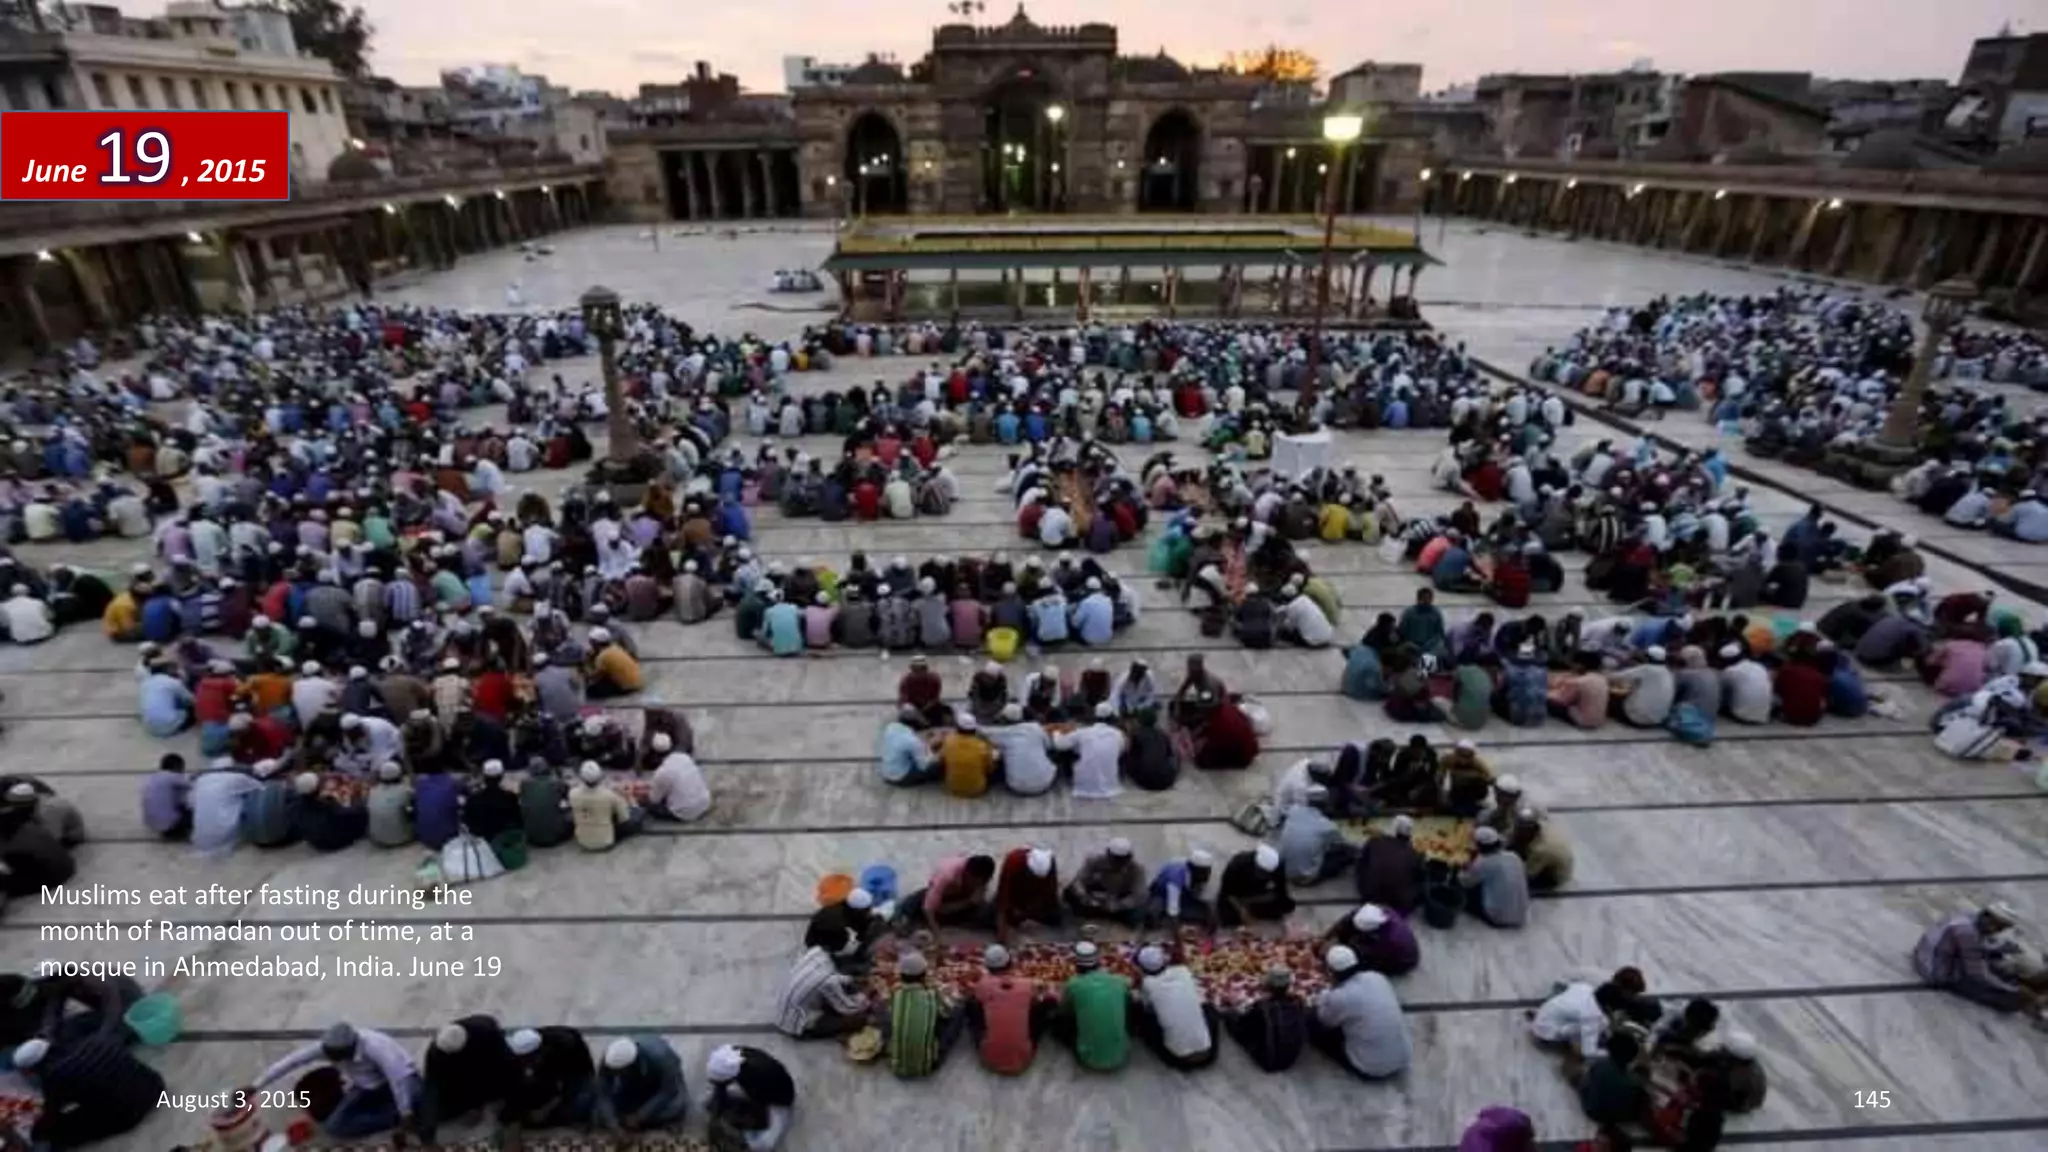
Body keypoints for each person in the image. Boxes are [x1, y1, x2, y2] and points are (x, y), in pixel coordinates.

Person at [253, 1021, 420, 1140]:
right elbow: (291, 1062)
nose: (333, 1061)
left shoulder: (376, 1047)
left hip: (404, 1079)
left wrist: (405, 1110)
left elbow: (398, 1079)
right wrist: (256, 1085)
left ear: (350, 1049)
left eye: (338, 1058)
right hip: (366, 1087)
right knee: (334, 1127)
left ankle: (408, 1113)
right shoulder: (328, 1047)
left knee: (412, 1098)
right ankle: (394, 1117)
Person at [14, 1027, 164, 1151]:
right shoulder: (92, 1040)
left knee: (61, 1130)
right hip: (155, 1085)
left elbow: (52, 1113)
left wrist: (35, 1132)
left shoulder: (56, 1075)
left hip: (133, 1111)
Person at [1912, 902, 2044, 1020]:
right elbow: (1978, 974)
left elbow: (1973, 947)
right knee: (2013, 999)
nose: (1995, 931)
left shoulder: (1968, 916)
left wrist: (1996, 950)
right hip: (1936, 972)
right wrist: (2010, 989)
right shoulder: (1966, 932)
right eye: (1998, 927)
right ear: (1988, 917)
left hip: (1932, 956)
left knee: (2003, 969)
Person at [1309, 945, 1412, 1079]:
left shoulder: (1341, 997)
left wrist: (1323, 998)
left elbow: (1324, 1020)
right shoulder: (1376, 977)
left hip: (1370, 1067)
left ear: (1330, 972)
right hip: (1403, 1057)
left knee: (1312, 1025)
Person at [417, 1016, 514, 1141]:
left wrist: (476, 1104)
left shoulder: (486, 1032)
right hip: (460, 1081)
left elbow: (509, 1066)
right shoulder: (437, 1051)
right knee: (428, 1114)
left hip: (489, 1072)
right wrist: (428, 1131)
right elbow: (431, 1087)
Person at [1132, 944, 1220, 1070]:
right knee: (1207, 1008)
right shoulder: (1183, 971)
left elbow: (1146, 1007)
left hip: (1178, 1059)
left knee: (1146, 1018)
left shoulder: (1148, 984)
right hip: (1209, 1053)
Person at [967, 943, 1051, 1075]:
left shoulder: (982, 985)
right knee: (1042, 1007)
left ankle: (993, 1039)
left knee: (971, 1007)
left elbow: (976, 1002)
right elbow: (1041, 1001)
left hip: (989, 1059)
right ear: (1011, 963)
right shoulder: (1026, 984)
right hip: (1024, 1059)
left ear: (987, 967)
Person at [1053, 941, 1134, 1072]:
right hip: (1121, 1055)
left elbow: (1064, 1010)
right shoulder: (1119, 981)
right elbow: (1129, 996)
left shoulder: (1073, 985)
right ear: (1099, 962)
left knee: (1059, 1022)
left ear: (1076, 965)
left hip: (1088, 1059)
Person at [884, 950, 966, 1078]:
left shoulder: (896, 993)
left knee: (888, 1016)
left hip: (895, 1065)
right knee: (958, 1013)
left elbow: (889, 1010)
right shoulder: (931, 995)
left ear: (901, 975)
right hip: (928, 1066)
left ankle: (897, 1047)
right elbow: (946, 1014)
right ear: (923, 976)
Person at [503, 1025, 599, 1131]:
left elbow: (570, 1086)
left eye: (529, 1060)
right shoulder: (524, 1044)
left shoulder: (567, 1048)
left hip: (578, 1075)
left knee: (582, 1102)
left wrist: (546, 1109)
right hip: (552, 1076)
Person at [705, 1045, 796, 1152]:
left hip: (779, 1099)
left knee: (762, 1145)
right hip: (759, 1093)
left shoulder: (757, 1077)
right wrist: (713, 1121)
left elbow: (760, 1110)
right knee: (708, 1103)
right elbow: (720, 1090)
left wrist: (742, 1124)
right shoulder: (732, 1056)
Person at [773, 943, 871, 1038]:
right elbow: (849, 1008)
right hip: (794, 1024)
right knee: (857, 1020)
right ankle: (811, 1030)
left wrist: (851, 980)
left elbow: (835, 978)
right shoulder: (829, 980)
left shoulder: (817, 952)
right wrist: (868, 992)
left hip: (784, 1010)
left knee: (834, 993)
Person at [596, 1035, 689, 1134]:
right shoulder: (608, 1061)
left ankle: (644, 1120)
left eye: (621, 1072)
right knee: (599, 1114)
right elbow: (603, 1094)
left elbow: (669, 1090)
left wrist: (641, 1115)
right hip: (632, 1090)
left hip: (660, 1090)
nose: (617, 1076)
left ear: (632, 1065)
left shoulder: (661, 1056)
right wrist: (614, 1125)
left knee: (676, 1107)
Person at [1224, 965, 1309, 1072]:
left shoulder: (1263, 1008)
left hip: (1269, 1060)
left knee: (1231, 1017)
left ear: (1268, 986)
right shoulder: (1297, 1002)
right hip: (1292, 1056)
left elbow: (1242, 1027)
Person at [1278, 784, 1359, 885]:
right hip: (1306, 877)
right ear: (1326, 803)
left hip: (1286, 871)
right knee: (1347, 855)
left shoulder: (1293, 812)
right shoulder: (1327, 826)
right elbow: (1346, 844)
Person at [1571, 1031, 1648, 1128]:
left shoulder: (1600, 1066)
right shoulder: (1634, 1080)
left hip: (1592, 1110)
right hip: (1619, 1117)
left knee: (1581, 1078)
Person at [1064, 837, 1149, 926]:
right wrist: (1085, 897)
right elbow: (1080, 880)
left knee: (1138, 914)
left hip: (1119, 899)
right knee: (1070, 892)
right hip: (1099, 894)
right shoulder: (1094, 860)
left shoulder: (1137, 869)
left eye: (1122, 860)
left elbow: (1139, 895)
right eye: (1115, 859)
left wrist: (1118, 905)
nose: (1118, 863)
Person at [907, 853, 997, 931]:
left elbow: (978, 899)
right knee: (916, 907)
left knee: (985, 917)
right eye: (976, 882)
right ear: (969, 875)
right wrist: (937, 935)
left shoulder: (982, 878)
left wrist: (972, 900)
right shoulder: (946, 876)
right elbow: (928, 908)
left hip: (961, 898)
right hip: (941, 896)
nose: (978, 885)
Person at [1054, 702, 1127, 799]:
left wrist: (1057, 731)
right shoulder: (1119, 735)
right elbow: (1119, 752)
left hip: (1083, 789)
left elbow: (1059, 745)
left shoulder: (1083, 732)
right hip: (1111, 788)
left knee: (1072, 750)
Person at [1354, 815, 1425, 913]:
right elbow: (1419, 876)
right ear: (1409, 835)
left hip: (1368, 893)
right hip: (1398, 901)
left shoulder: (1374, 841)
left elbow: (1360, 862)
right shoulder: (1413, 854)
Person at [1461, 826, 1530, 928]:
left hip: (1497, 918)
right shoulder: (1514, 856)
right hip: (1521, 916)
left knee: (1465, 893)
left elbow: (1465, 882)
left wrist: (1463, 868)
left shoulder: (1483, 863)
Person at [1327, 902, 1420, 976]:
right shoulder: (1371, 912)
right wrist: (1326, 937)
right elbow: (1345, 921)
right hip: (1380, 943)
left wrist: (1339, 957)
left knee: (1357, 964)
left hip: (1401, 961)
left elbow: (1365, 955)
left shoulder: (1391, 939)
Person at [993, 845, 1064, 943]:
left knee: (1056, 916)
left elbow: (1051, 890)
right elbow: (1004, 894)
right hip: (1016, 898)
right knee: (992, 917)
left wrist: (1032, 912)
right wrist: (1002, 928)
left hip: (1036, 899)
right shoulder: (1013, 861)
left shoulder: (1050, 861)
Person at [569, 761, 642, 850]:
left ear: (581, 778)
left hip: (582, 841)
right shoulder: (609, 795)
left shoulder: (572, 793)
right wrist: (628, 798)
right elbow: (624, 818)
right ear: (600, 777)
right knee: (636, 814)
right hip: (605, 841)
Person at [1218, 843, 1295, 925]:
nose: (1263, 875)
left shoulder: (1278, 867)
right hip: (1237, 892)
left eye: (1266, 873)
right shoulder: (1238, 863)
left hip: (1256, 892)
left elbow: (1281, 890)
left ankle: (1251, 908)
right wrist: (1241, 910)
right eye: (1261, 872)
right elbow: (1226, 891)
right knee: (1228, 918)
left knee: (1286, 906)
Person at [645, 732, 711, 822]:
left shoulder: (662, 773)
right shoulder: (684, 757)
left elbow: (653, 800)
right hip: (704, 802)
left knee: (649, 807)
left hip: (686, 813)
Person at [878, 705, 941, 786]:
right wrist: (929, 746)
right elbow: (924, 766)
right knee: (937, 764)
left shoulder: (890, 727)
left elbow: (905, 741)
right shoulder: (913, 741)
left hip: (886, 772)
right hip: (900, 778)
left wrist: (922, 742)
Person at [939, 714, 1000, 798]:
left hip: (953, 787)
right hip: (977, 789)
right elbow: (990, 769)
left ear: (957, 727)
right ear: (974, 729)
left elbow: (942, 760)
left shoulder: (948, 741)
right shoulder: (982, 745)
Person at [140, 753, 192, 840]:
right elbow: (193, 786)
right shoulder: (173, 776)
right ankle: (177, 832)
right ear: (177, 767)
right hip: (168, 825)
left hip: (150, 823)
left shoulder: (153, 777)